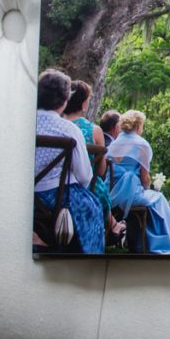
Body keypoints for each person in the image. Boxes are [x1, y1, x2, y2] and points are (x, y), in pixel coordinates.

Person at [34, 69, 104, 254]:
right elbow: (84, 175)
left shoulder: (24, 121)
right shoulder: (69, 129)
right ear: (65, 100)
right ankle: (89, 263)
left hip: (24, 194)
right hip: (59, 196)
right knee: (92, 208)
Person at [106, 110, 170, 254]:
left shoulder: (113, 144)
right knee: (159, 199)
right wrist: (146, 188)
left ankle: (135, 240)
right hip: (132, 194)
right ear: (139, 125)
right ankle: (157, 243)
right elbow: (145, 178)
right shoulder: (141, 144)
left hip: (111, 193)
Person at [63, 80, 126, 243]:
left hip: (55, 184)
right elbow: (101, 170)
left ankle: (113, 226)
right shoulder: (94, 130)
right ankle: (112, 227)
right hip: (86, 186)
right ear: (84, 104)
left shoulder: (57, 126)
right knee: (99, 186)